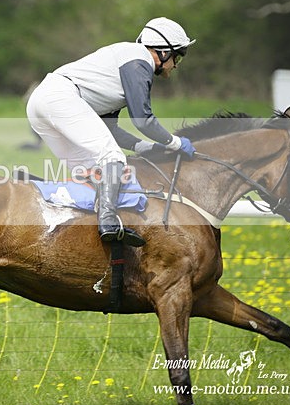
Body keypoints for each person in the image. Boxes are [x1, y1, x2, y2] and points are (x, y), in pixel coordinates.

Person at [26, 17, 197, 246]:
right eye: (178, 56)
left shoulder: (125, 63)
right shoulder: (139, 62)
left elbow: (109, 129)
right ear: (164, 52)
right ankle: (108, 222)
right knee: (113, 158)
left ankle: (71, 231)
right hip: (60, 97)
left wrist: (145, 146)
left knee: (91, 171)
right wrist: (174, 143)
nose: (176, 65)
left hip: (41, 102)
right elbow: (143, 120)